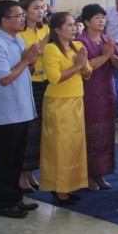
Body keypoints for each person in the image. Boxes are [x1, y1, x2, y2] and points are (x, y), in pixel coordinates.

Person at [0, 0, 41, 218]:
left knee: (17, 158)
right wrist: (26, 61)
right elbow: (5, 78)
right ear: (4, 20)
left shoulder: (17, 40)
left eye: (22, 15)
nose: (22, 19)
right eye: (18, 16)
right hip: (6, 113)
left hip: (22, 109)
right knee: (4, 160)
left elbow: (25, 69)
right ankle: (4, 203)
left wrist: (30, 61)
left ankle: (16, 197)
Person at [40, 12, 92, 205]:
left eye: (74, 24)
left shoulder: (77, 46)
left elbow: (88, 73)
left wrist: (83, 66)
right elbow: (54, 78)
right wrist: (78, 66)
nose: (74, 28)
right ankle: (58, 188)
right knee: (59, 147)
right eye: (69, 25)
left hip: (76, 99)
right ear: (57, 30)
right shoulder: (51, 49)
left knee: (74, 145)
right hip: (58, 103)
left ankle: (70, 184)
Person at [77, 3, 118, 191]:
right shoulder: (80, 42)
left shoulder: (107, 40)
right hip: (89, 95)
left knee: (105, 136)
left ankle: (101, 174)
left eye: (103, 17)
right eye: (97, 17)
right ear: (87, 21)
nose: (101, 21)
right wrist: (105, 56)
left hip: (107, 93)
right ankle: (87, 175)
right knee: (90, 135)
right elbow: (85, 68)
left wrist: (111, 56)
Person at [16, 0, 49, 193]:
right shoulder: (19, 34)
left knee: (40, 132)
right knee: (28, 131)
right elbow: (27, 58)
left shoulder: (45, 29)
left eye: (42, 7)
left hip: (46, 83)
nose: (40, 11)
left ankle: (30, 172)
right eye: (35, 8)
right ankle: (21, 173)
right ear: (24, 11)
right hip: (28, 83)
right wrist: (42, 45)